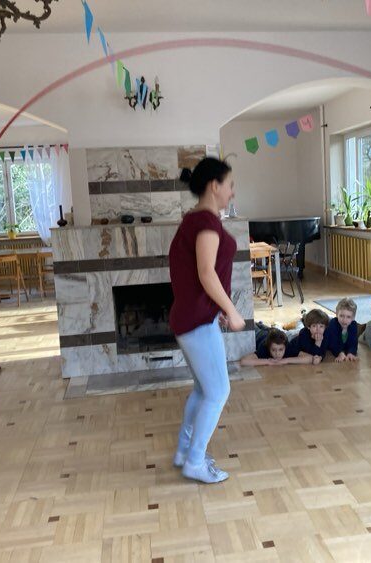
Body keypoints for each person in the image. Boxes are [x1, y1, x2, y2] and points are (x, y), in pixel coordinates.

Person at [168, 158, 245, 484]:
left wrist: (219, 308)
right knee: (218, 391)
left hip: (192, 318)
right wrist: (232, 310)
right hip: (197, 321)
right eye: (230, 185)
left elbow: (200, 274)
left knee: (204, 390)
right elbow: (206, 273)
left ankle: (185, 452)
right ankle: (195, 461)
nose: (232, 192)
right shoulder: (205, 224)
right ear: (215, 185)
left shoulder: (195, 219)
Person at [240, 327, 314, 366]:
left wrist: (286, 360)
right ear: (269, 348)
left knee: (267, 327)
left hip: (272, 331)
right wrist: (268, 361)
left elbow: (310, 358)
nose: (277, 353)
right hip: (260, 334)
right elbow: (244, 361)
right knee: (253, 326)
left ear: (285, 347)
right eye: (273, 350)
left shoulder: (288, 347)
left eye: (280, 350)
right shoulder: (264, 348)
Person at [324, 298, 358, 362]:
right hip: (331, 344)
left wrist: (351, 352)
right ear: (337, 314)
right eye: (341, 316)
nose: (344, 320)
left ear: (353, 318)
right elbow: (333, 343)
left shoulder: (353, 325)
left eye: (348, 317)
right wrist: (339, 353)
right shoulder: (333, 324)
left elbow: (354, 343)